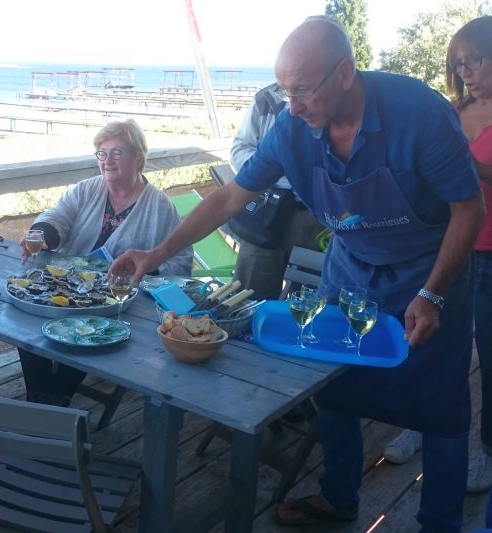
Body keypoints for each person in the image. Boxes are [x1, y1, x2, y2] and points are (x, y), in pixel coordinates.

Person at [112, 17, 482, 532]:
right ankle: (339, 495)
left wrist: (434, 293)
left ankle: (440, 521)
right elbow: (228, 198)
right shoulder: (291, 128)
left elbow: (468, 208)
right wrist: (155, 253)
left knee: (441, 407)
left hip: (427, 272)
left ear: (346, 73)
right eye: (284, 91)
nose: (292, 106)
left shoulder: (418, 113)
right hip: (351, 267)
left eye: (303, 90)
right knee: (332, 386)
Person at [384, 15, 492, 493]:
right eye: (459, 62)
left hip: (489, 253)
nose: (465, 70)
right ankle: (417, 424)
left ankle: (487, 452)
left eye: (474, 60)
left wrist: (462, 162)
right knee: (427, 340)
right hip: (445, 248)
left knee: (489, 355)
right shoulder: (452, 110)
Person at [18, 118, 192, 406]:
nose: (108, 161)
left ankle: (47, 404)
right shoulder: (86, 189)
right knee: (26, 319)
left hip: (115, 301)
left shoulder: (160, 206)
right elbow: (57, 217)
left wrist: (148, 268)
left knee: (86, 331)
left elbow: (182, 262)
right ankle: (44, 401)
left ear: (138, 158)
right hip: (67, 288)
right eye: (102, 153)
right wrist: (43, 236)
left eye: (117, 153)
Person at [229, 82, 323, 300]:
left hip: (317, 216)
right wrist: (272, 167)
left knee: (312, 303)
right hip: (265, 212)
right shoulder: (266, 98)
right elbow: (239, 149)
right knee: (245, 299)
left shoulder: (331, 95)